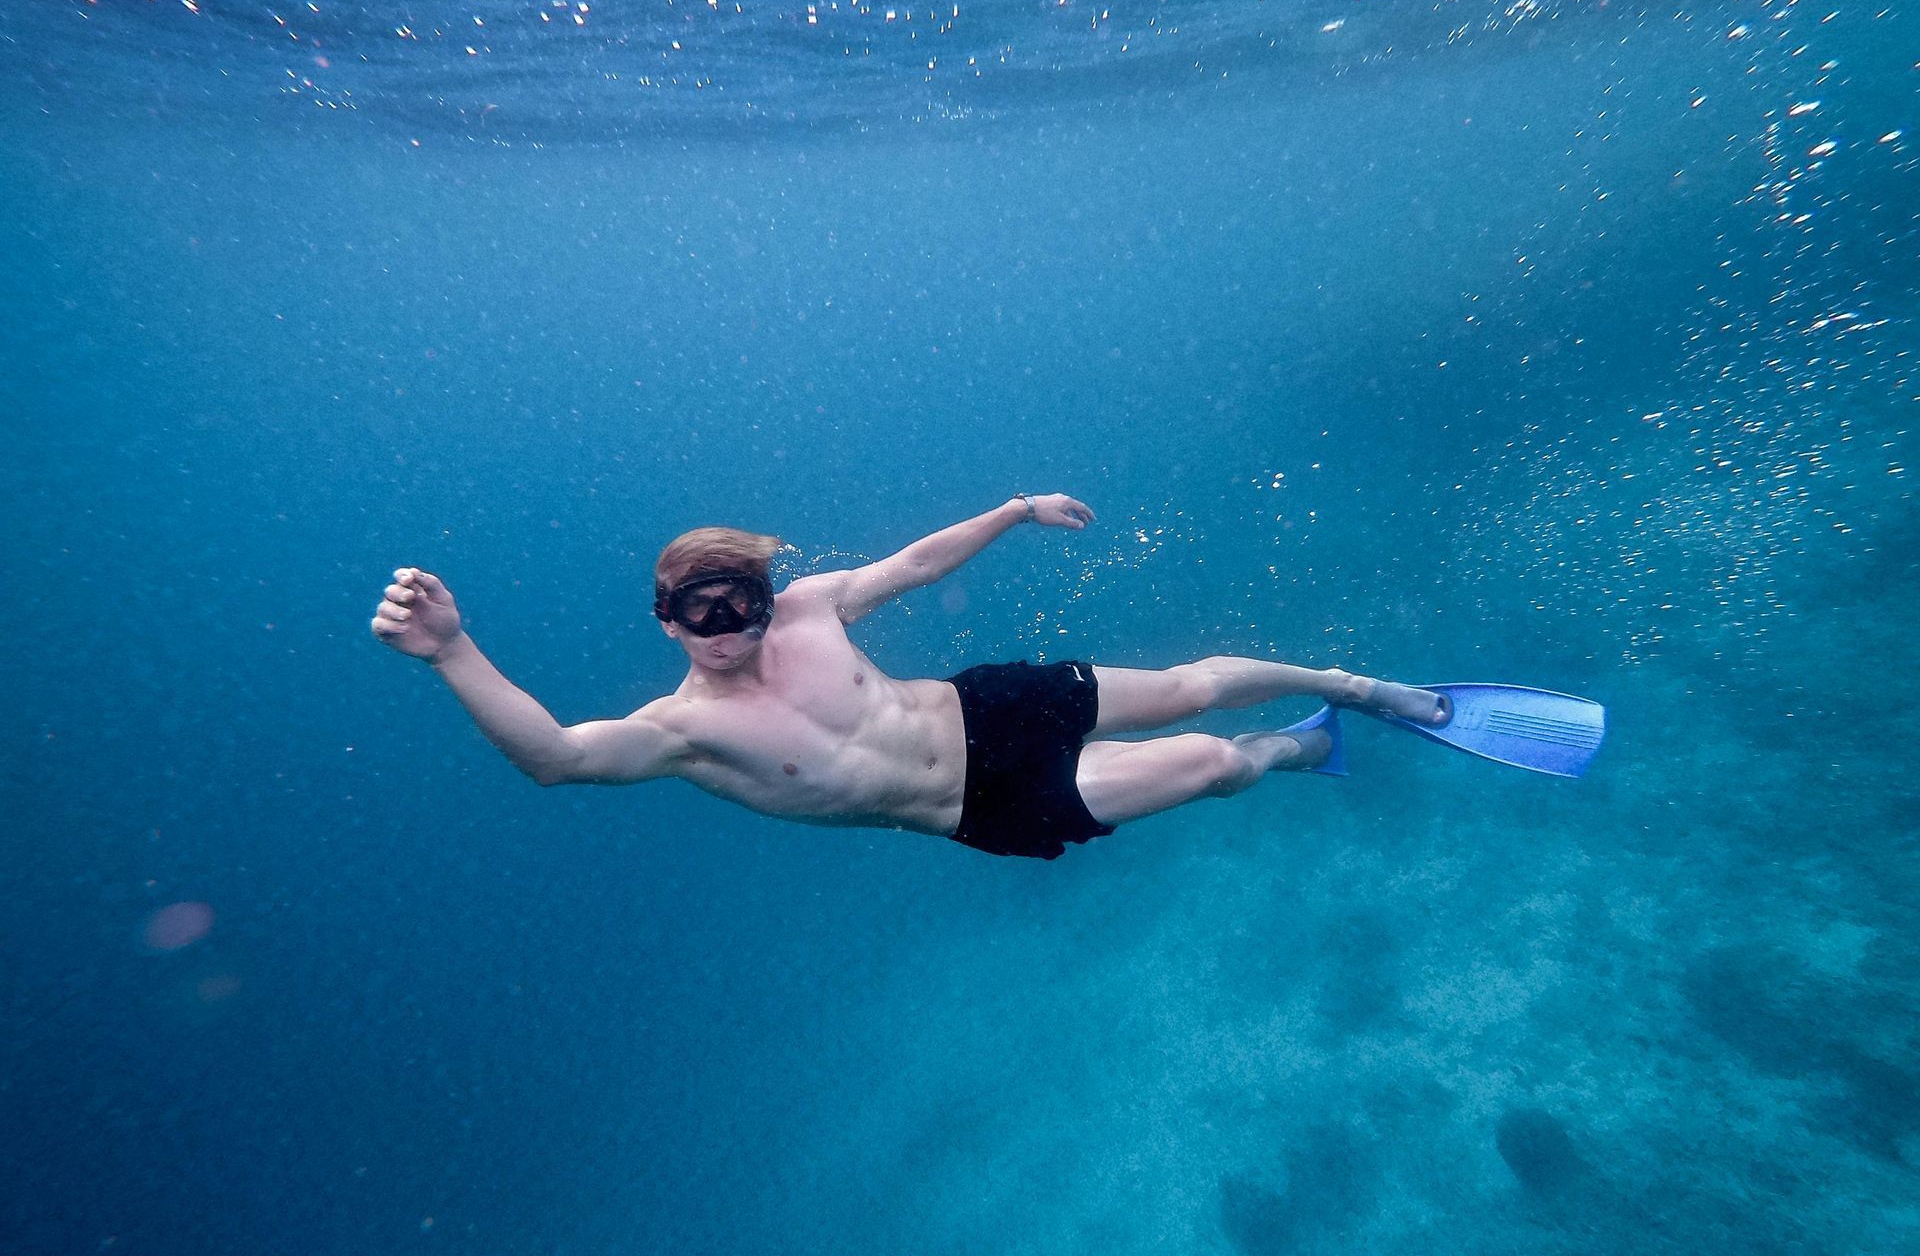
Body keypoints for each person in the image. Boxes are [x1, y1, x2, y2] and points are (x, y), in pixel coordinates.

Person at [370, 496, 1447, 862]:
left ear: (760, 592)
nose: (723, 629)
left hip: (989, 704)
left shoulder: (808, 606)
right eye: (697, 613)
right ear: (665, 621)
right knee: (1217, 759)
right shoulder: (679, 729)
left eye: (736, 601)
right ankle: (1307, 746)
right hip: (978, 803)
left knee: (1196, 683)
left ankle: (1355, 686)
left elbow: (917, 563)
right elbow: (555, 759)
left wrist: (1017, 509)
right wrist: (453, 652)